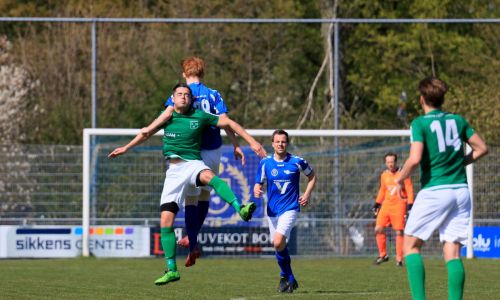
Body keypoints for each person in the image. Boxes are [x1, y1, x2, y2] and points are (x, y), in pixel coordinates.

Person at [109, 83, 267, 286]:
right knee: (166, 221)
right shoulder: (167, 116)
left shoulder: (200, 115)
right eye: (179, 94)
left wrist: (251, 142)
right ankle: (171, 270)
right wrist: (126, 147)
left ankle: (241, 209)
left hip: (193, 163)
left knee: (211, 178)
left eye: (186, 95)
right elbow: (146, 132)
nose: (183, 97)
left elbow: (229, 122)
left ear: (192, 99)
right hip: (174, 172)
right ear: (173, 99)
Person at [143, 57, 245, 267]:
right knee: (206, 192)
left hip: (192, 150)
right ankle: (195, 235)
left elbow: (168, 114)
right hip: (214, 147)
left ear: (184, 73)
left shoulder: (181, 94)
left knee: (191, 199)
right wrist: (235, 144)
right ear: (203, 72)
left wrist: (147, 130)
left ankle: (193, 241)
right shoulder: (214, 93)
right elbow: (226, 122)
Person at [394, 77, 488, 300]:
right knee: (453, 253)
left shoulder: (420, 123)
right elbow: (482, 148)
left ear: (422, 99)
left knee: (410, 246)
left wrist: (399, 178)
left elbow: (415, 158)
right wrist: (461, 162)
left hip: (436, 190)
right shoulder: (458, 120)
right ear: (442, 98)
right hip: (461, 192)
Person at [253, 129, 317, 293]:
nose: (280, 144)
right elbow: (258, 182)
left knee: (277, 241)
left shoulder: (297, 161)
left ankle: (285, 276)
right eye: (277, 141)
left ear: (286, 143)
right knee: (279, 246)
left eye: (283, 141)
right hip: (273, 210)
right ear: (272, 143)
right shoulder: (265, 163)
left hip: (290, 208)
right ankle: (288, 277)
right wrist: (257, 189)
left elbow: (312, 176)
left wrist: (307, 194)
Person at [371, 152, 414, 266]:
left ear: (396, 162)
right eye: (388, 162)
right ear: (385, 163)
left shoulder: (403, 173)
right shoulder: (384, 175)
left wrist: (410, 206)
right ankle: (383, 255)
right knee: (378, 229)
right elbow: (382, 190)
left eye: (392, 162)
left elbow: (409, 189)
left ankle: (399, 259)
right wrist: (377, 204)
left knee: (399, 231)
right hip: (386, 205)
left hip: (399, 205)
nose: (390, 164)